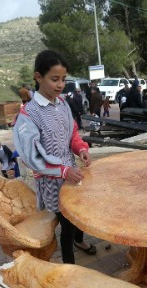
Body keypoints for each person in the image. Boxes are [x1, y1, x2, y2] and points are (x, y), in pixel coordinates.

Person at [14, 49, 97, 264]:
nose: (60, 85)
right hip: (52, 180)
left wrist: (81, 149)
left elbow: (72, 132)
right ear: (38, 77)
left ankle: (79, 240)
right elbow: (31, 157)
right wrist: (62, 170)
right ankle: (69, 265)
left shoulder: (62, 105)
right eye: (54, 79)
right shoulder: (28, 114)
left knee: (78, 213)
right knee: (67, 224)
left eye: (63, 79)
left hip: (71, 174)